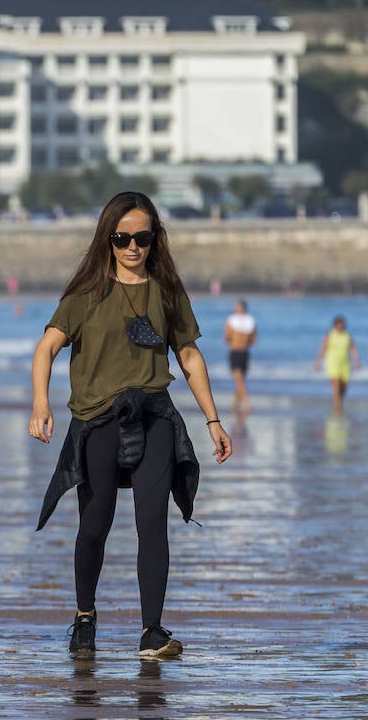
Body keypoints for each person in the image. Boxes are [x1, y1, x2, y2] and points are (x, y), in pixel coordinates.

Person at [30, 191, 232, 660]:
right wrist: (41, 403)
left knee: (152, 523)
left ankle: (152, 632)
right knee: (95, 524)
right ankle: (84, 616)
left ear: (155, 239)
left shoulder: (166, 292)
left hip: (155, 416)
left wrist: (213, 420)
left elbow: (188, 356)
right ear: (108, 239)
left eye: (142, 237)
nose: (132, 247)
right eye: (122, 238)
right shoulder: (86, 295)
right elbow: (46, 348)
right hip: (96, 420)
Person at [314, 316, 360, 416]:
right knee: (336, 385)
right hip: (332, 363)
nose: (342, 326)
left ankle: (339, 402)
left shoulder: (347, 335)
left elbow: (353, 349)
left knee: (344, 387)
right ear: (335, 325)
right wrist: (318, 363)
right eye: (340, 324)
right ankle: (337, 407)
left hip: (345, 363)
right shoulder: (329, 335)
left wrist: (357, 361)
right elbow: (323, 349)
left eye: (343, 324)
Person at [223, 299, 257, 420]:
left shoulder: (231, 320)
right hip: (245, 352)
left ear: (239, 308)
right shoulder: (251, 321)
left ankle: (246, 403)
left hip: (235, 352)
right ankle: (235, 405)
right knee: (241, 379)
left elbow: (226, 337)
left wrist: (234, 340)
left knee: (239, 380)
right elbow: (253, 340)